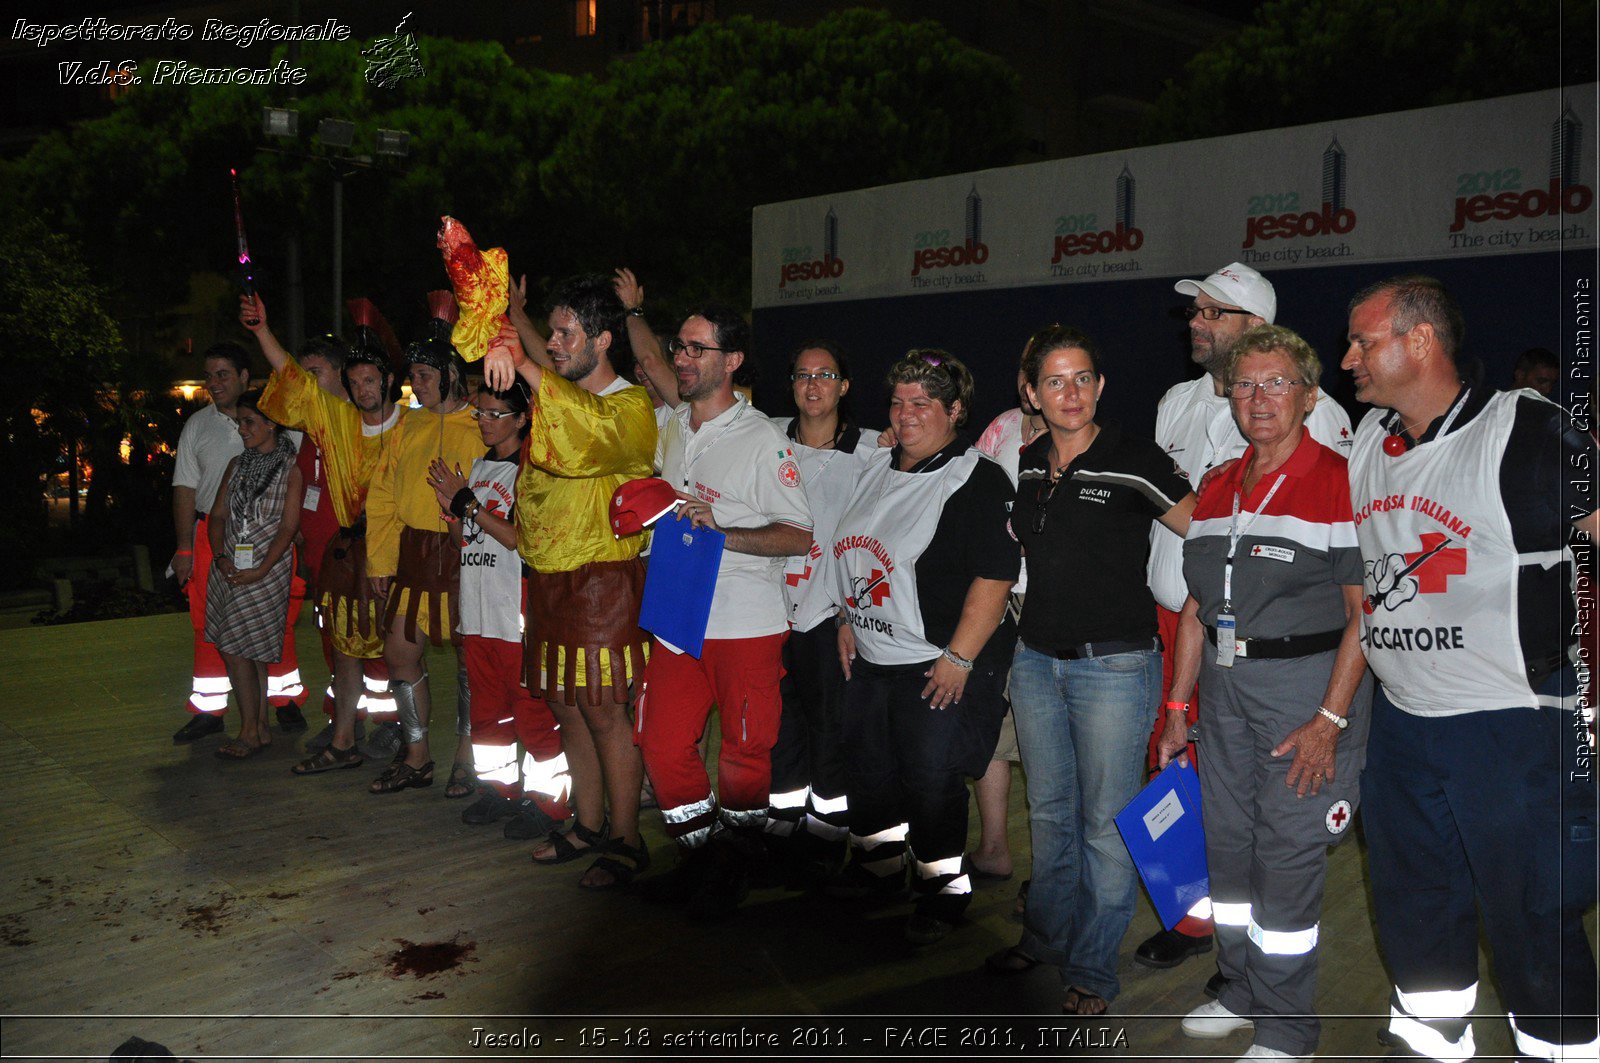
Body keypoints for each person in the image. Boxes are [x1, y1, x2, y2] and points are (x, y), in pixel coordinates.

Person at [1342, 276, 1597, 1062]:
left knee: (1531, 920)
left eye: (1363, 340)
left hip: (1514, 722)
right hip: (1405, 727)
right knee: (1414, 907)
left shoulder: (1526, 427)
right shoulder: (1367, 441)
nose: (1346, 357)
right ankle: (1429, 1043)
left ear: (1419, 341)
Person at [1153, 325, 1371, 1062]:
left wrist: (1330, 718)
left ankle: (1287, 1028)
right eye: (1245, 384)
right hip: (1223, 688)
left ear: (1311, 396)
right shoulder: (1216, 484)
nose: (1259, 398)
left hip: (1303, 692)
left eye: (1277, 382)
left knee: (1286, 858)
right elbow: (1192, 608)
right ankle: (1242, 988)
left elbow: (1363, 614)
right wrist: (1179, 708)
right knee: (1231, 850)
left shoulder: (1339, 480)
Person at [1139, 262, 1351, 973]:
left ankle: (1255, 958)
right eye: (1196, 311)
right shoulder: (1175, 400)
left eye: (1214, 313)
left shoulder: (1315, 417)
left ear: (1257, 327)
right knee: (1182, 778)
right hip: (1183, 625)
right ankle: (1197, 919)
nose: (1197, 323)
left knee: (1260, 805)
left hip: (1271, 644)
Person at [987, 325, 1195, 1016]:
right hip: (1037, 662)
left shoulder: (1135, 458)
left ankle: (1092, 971)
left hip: (1116, 666)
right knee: (1048, 814)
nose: (1070, 393)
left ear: (1100, 386)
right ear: (1031, 392)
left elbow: (1207, 533)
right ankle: (1045, 939)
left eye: (1082, 379)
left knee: (1104, 824)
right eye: (1054, 380)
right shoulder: (1025, 461)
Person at [825, 350, 1018, 945]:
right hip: (872, 656)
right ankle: (881, 866)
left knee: (931, 780)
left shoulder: (976, 479)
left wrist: (959, 657)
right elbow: (856, 550)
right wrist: (846, 618)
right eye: (898, 403)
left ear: (955, 411)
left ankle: (944, 889)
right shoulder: (879, 468)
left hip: (934, 662)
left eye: (923, 404)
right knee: (869, 769)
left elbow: (994, 576)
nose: (906, 416)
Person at [636, 306, 813, 920]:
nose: (680, 358)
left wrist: (724, 528)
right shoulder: (669, 426)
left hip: (745, 621)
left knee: (743, 754)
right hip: (676, 614)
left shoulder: (764, 440)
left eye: (695, 348)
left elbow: (798, 535)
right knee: (660, 744)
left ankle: (730, 872)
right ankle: (707, 860)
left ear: (732, 360)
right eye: (676, 347)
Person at [483, 273, 657, 889]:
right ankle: (588, 823)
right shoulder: (557, 397)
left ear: (604, 339)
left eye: (565, 334)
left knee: (605, 710)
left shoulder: (631, 407)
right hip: (549, 579)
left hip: (604, 581)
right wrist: (509, 316)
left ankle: (627, 839)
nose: (553, 344)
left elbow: (583, 431)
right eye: (549, 333)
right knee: (566, 706)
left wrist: (525, 360)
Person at [245, 295, 406, 773]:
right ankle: (344, 734)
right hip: (341, 560)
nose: (361, 388)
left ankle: (403, 738)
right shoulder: (335, 422)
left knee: (394, 651)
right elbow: (293, 380)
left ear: (387, 381)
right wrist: (262, 333)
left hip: (394, 558)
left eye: (368, 379)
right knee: (344, 646)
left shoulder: (411, 426)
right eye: (355, 380)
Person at [426, 382, 572, 834]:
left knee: (532, 713)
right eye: (481, 415)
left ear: (522, 418)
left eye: (494, 414)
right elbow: (463, 541)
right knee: (487, 714)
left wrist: (466, 502)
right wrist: (453, 512)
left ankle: (550, 804)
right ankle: (500, 791)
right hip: (479, 606)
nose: (484, 422)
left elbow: (520, 539)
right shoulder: (478, 466)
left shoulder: (533, 469)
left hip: (518, 610)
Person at [762, 340, 878, 883]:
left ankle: (828, 833)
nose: (813, 385)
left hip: (828, 618)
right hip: (766, 612)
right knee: (779, 727)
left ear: (845, 386)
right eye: (803, 375)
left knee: (831, 729)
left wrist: (852, 614)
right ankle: (783, 823)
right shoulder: (767, 440)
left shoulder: (872, 450)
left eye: (826, 375)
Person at [365, 296, 482, 795]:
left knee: (469, 661)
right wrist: (379, 560)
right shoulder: (406, 425)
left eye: (427, 374)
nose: (417, 383)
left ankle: (467, 756)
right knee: (398, 654)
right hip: (413, 556)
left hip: (466, 558)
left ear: (452, 374)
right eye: (413, 374)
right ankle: (416, 755)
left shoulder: (483, 423)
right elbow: (383, 496)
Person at [169, 342, 306, 745]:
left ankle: (281, 704)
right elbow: (186, 489)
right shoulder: (199, 425)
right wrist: (185, 549)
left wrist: (292, 545)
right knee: (211, 626)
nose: (213, 383)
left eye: (222, 374)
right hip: (217, 539)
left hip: (273, 546)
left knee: (276, 623)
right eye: (209, 375)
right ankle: (212, 711)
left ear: (245, 376)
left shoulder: (285, 432)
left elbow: (300, 492)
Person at [970, 360, 1052, 888]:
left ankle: (1048, 875)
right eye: (1025, 369)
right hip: (997, 594)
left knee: (1045, 737)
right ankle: (994, 847)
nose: (1030, 381)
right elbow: (966, 489)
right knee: (989, 726)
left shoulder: (1078, 436)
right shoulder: (999, 428)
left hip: (1050, 602)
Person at [204, 391, 303, 759]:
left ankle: (249, 731)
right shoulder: (237, 465)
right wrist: (220, 556)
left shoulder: (291, 469)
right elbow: (217, 515)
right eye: (240, 422)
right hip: (231, 566)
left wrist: (261, 568)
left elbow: (288, 527)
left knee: (236, 648)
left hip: (266, 569)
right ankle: (258, 728)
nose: (242, 429)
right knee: (247, 649)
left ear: (271, 424)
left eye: (249, 422)